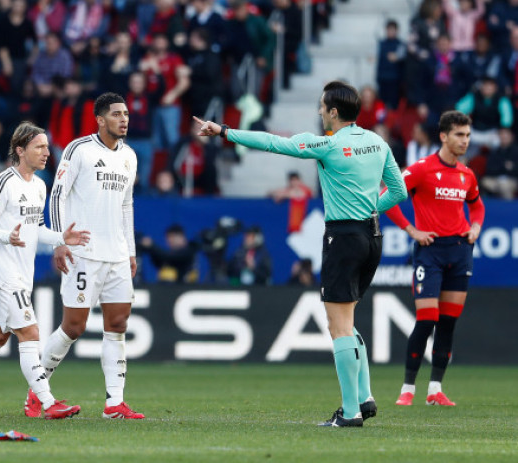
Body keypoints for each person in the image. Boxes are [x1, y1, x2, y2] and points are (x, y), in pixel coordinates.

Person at [194, 80, 408, 427]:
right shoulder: (377, 142)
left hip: (343, 236)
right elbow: (398, 191)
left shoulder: (327, 144)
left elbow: (274, 143)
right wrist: (371, 211)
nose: (320, 111)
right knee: (347, 321)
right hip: (373, 237)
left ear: (334, 112)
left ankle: (350, 412)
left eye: (323, 106)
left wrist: (224, 131)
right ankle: (365, 396)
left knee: (338, 326)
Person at [0, 122, 88, 419]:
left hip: (22, 275)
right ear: (20, 150)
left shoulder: (39, 185)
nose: (46, 153)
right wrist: (5, 237)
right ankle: (48, 403)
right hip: (5, 274)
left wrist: (63, 238)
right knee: (30, 332)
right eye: (39, 147)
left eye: (47, 147)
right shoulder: (3, 182)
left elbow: (36, 230)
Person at [44, 92, 144, 419]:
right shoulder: (79, 150)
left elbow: (127, 205)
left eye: (126, 114)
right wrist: (60, 241)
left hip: (116, 254)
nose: (124, 119)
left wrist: (129, 249)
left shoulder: (130, 156)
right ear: (100, 119)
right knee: (74, 327)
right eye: (117, 114)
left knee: (117, 324)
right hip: (83, 253)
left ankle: (114, 403)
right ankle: (37, 390)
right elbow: (57, 194)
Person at [385, 111, 484, 407]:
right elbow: (387, 196)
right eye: (459, 135)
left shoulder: (467, 174)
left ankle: (435, 390)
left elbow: (477, 207)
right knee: (427, 319)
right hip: (430, 252)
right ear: (443, 136)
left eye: (467, 135)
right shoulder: (422, 169)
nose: (465, 141)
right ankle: (407, 389)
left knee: (448, 323)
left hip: (460, 251)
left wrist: (476, 227)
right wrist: (412, 230)